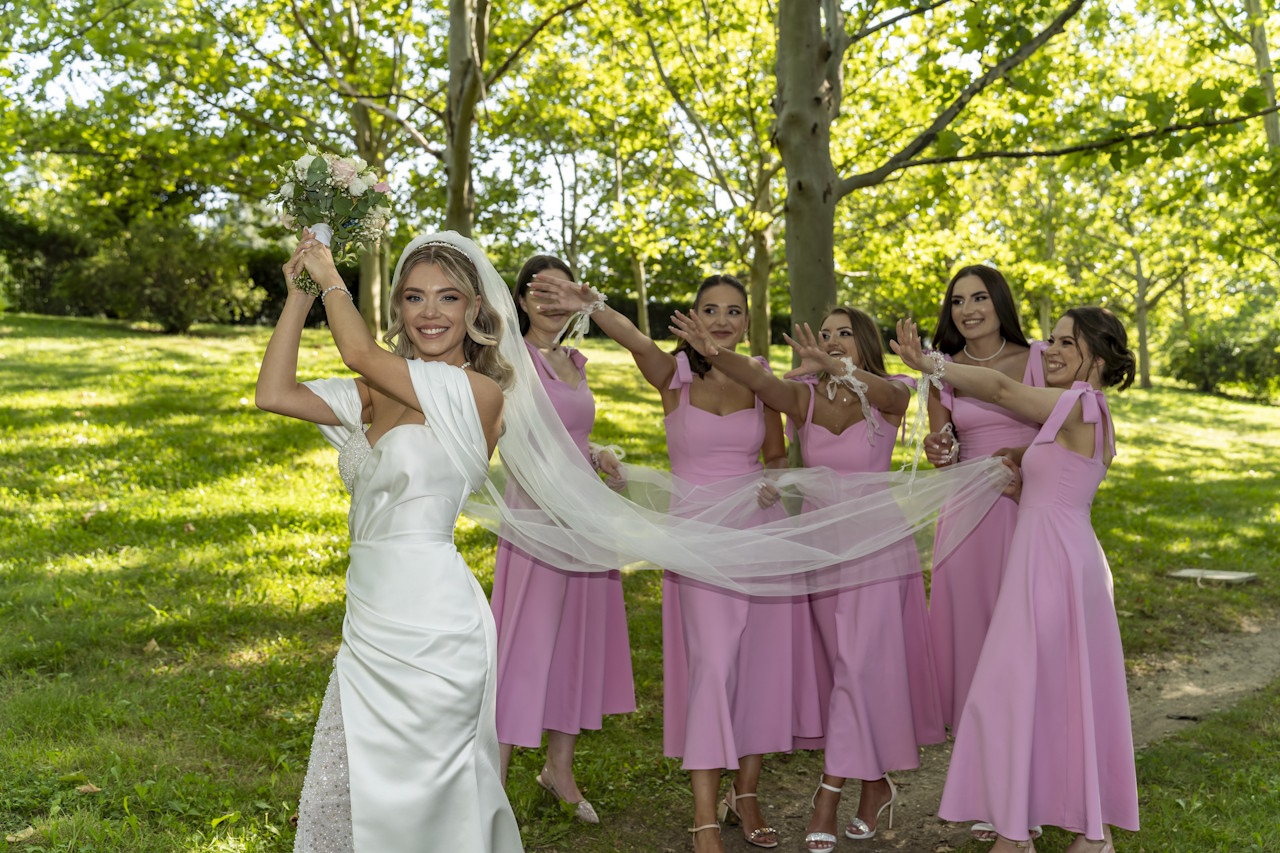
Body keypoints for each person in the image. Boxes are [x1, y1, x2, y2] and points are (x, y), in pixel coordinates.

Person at [255, 230, 523, 852]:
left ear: (474, 309)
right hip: (370, 615)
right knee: (356, 785)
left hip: (436, 625)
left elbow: (356, 351)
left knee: (430, 796)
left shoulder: (478, 394)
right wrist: (300, 293)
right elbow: (274, 393)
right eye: (414, 297)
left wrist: (331, 276)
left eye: (448, 297)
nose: (430, 312)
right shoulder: (382, 390)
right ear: (399, 307)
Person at [530, 273, 792, 853]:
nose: (721, 320)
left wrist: (774, 483)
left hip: (758, 535)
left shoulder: (759, 378)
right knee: (713, 665)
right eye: (710, 309)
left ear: (747, 321)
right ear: (692, 317)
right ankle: (703, 815)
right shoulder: (674, 376)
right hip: (696, 540)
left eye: (733, 311)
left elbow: (776, 456)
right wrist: (594, 304)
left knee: (758, 666)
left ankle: (746, 795)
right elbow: (634, 340)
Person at [670, 307, 945, 851]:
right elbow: (760, 383)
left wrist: (838, 367)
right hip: (819, 546)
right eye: (825, 335)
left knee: (858, 663)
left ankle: (829, 794)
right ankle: (875, 784)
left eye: (845, 334)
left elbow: (891, 398)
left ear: (866, 344)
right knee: (843, 667)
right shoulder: (805, 398)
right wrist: (715, 350)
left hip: (875, 544)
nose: (833, 341)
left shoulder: (891, 390)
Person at [893, 307, 1140, 853]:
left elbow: (1002, 390)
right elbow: (1062, 487)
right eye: (1052, 339)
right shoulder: (1084, 414)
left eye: (1067, 343)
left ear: (1098, 358)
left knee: (1008, 687)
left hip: (1052, 564)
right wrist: (1023, 485)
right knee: (1053, 694)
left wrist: (932, 365)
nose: (1051, 350)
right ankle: (1084, 837)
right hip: (1057, 555)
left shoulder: (1080, 404)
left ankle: (1017, 835)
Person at [491, 255, 635, 823]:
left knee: (578, 643)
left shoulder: (575, 360)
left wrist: (597, 455)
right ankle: (493, 779)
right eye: (539, 291)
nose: (550, 302)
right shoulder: (510, 359)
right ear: (520, 300)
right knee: (525, 645)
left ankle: (560, 770)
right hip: (538, 518)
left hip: (586, 519)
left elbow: (571, 434)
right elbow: (509, 435)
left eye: (561, 291)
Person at [923, 265, 1045, 733]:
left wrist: (1022, 456)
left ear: (999, 303)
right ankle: (973, 736)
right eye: (957, 301)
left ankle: (1025, 729)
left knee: (1022, 617)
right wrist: (939, 450)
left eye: (978, 298)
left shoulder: (1037, 358)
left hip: (1023, 503)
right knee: (968, 623)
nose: (967, 310)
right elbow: (944, 448)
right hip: (965, 512)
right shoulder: (942, 369)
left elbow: (1062, 431)